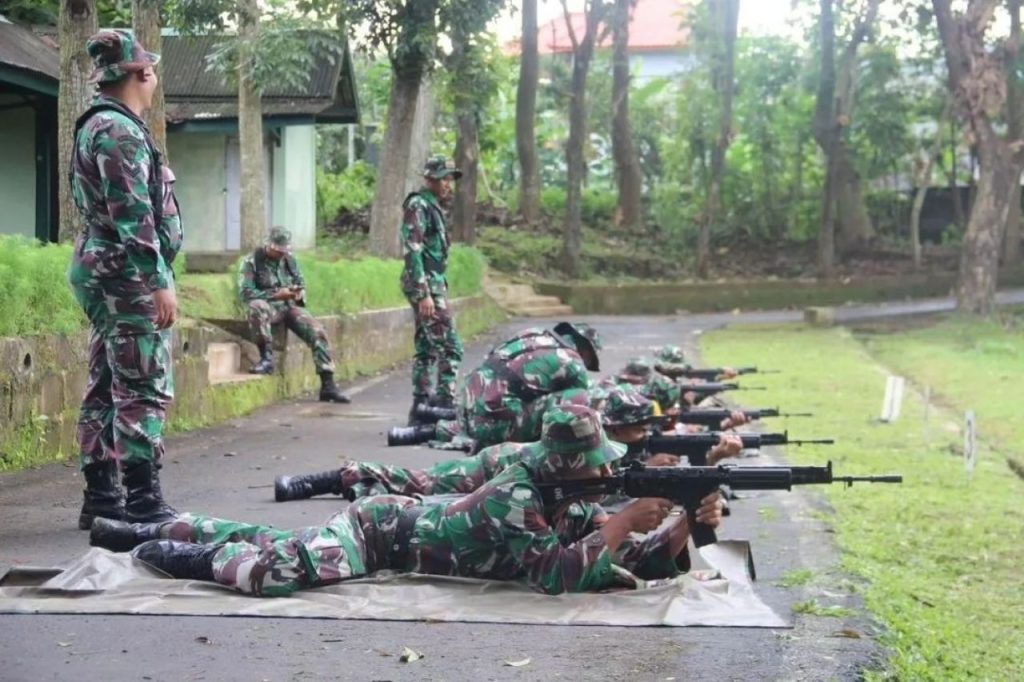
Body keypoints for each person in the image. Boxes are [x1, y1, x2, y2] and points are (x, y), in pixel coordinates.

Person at [90, 405, 724, 597]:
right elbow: (555, 575)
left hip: (393, 537)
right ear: (566, 464)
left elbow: (634, 562)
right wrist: (620, 522)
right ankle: (160, 548)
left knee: (268, 540)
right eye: (598, 461)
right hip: (380, 532)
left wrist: (683, 524)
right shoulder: (518, 493)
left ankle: (170, 527)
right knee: (273, 571)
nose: (610, 468)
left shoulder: (575, 499)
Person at [68, 29, 181, 529]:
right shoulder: (117, 131)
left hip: (106, 269)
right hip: (125, 274)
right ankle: (141, 499)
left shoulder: (101, 125)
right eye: (151, 73)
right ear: (141, 73)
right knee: (140, 382)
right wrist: (157, 279)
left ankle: (102, 497)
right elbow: (133, 213)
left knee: (108, 380)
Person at [273, 386, 742, 502]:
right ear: (614, 430)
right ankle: (327, 479)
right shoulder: (587, 438)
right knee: (418, 483)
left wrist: (709, 462)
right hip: (503, 464)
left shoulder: (621, 450)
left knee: (423, 500)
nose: (645, 434)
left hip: (525, 474)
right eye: (638, 428)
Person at [390, 322, 602, 450]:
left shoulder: (533, 334)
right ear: (583, 348)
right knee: (580, 398)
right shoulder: (571, 361)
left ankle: (423, 424)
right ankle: (427, 427)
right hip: (493, 426)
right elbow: (585, 409)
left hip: (468, 411)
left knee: (501, 406)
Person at [238, 226, 350, 403]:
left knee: (317, 330)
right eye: (277, 251)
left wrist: (297, 292)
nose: (281, 254)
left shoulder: (289, 261)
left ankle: (327, 383)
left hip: (289, 306)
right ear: (269, 246)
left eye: (284, 251)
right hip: (269, 307)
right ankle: (266, 358)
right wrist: (275, 294)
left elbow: (300, 282)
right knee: (257, 307)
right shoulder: (252, 262)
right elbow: (246, 293)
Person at [400, 156, 465, 423]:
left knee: (427, 346)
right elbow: (412, 250)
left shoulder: (431, 205)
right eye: (444, 178)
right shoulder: (418, 205)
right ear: (430, 180)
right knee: (451, 347)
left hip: (433, 282)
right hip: (425, 284)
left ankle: (421, 406)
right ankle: (444, 401)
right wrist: (423, 292)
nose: (448, 184)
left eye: (450, 178)